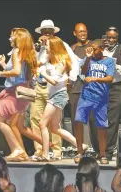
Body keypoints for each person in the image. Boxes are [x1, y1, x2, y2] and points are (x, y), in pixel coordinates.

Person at [30, 19, 82, 160]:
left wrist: (70, 80)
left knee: (45, 123)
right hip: (42, 87)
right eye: (44, 31)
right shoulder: (39, 47)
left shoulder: (60, 46)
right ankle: (42, 150)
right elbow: (35, 64)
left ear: (53, 32)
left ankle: (54, 152)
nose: (46, 34)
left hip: (56, 90)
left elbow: (74, 62)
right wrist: (36, 49)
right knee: (40, 121)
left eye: (49, 31)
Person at [0, 28, 37, 161]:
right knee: (10, 122)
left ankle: (17, 149)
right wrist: (3, 65)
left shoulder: (16, 52)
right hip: (22, 90)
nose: (10, 39)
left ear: (18, 38)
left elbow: (16, 72)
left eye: (12, 36)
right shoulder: (26, 52)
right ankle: (20, 152)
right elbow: (20, 72)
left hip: (15, 91)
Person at [74, 39, 115, 164]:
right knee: (78, 121)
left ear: (102, 49)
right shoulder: (89, 59)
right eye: (90, 48)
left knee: (101, 126)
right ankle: (80, 151)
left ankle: (102, 153)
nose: (92, 51)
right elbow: (83, 72)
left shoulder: (109, 61)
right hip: (86, 96)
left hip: (101, 98)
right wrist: (87, 58)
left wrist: (94, 79)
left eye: (95, 49)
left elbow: (110, 78)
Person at [103, 27, 121, 160]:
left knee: (112, 120)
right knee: (96, 119)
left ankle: (108, 152)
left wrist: (110, 63)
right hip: (100, 86)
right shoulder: (100, 48)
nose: (110, 40)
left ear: (117, 38)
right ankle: (98, 149)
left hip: (116, 87)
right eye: (108, 37)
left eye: (113, 37)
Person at [69, 22, 95, 154]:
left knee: (93, 119)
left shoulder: (93, 45)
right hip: (75, 89)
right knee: (76, 120)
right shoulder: (72, 48)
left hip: (91, 89)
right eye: (80, 32)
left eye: (84, 31)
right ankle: (79, 148)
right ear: (74, 33)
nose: (83, 34)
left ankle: (96, 148)